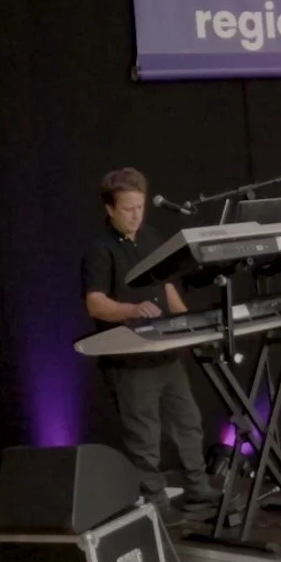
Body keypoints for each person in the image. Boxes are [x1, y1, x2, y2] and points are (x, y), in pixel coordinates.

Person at [81, 168, 216, 516]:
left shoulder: (153, 237)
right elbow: (95, 302)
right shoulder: (100, 249)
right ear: (109, 209)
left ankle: (199, 489)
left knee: (187, 421)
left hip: (165, 352)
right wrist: (131, 309)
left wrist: (190, 324)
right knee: (145, 437)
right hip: (130, 360)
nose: (136, 215)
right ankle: (156, 505)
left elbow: (167, 286)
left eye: (140, 207)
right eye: (128, 209)